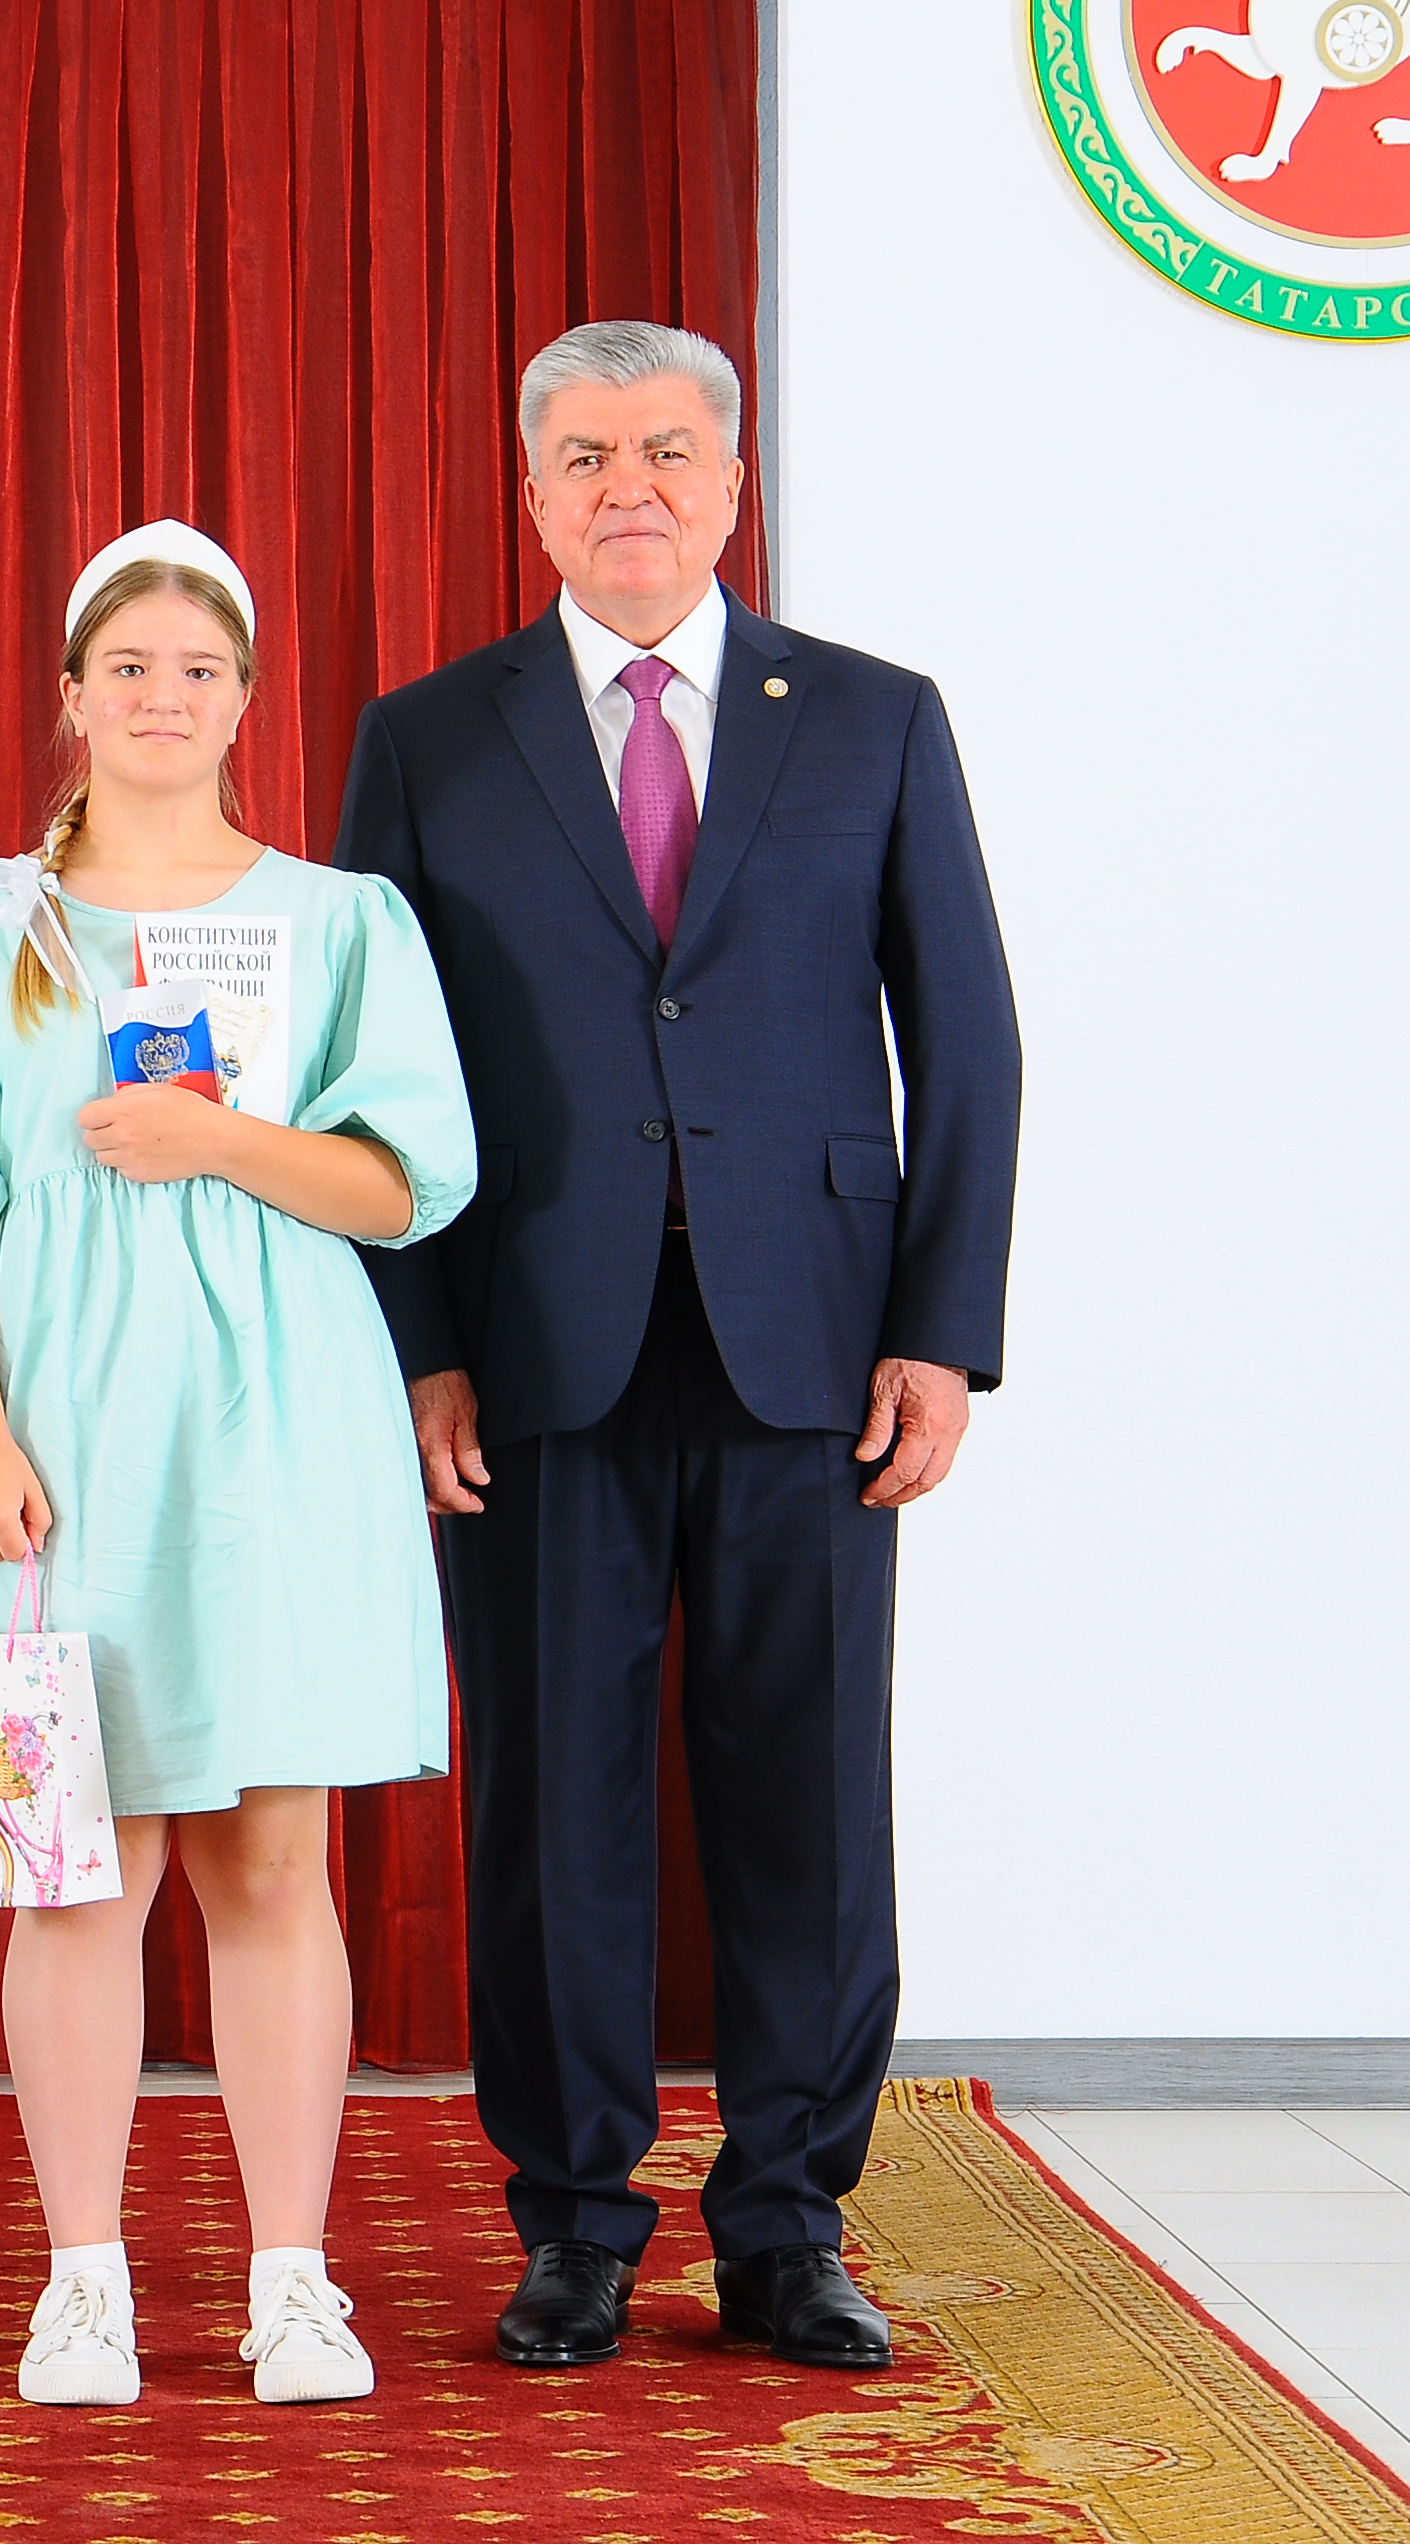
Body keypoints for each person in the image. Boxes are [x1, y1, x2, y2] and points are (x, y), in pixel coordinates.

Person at [335, 321, 1022, 2372]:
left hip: (811, 1345)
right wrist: (420, 1348)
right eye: (581, 455)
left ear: (730, 484)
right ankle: (573, 2218)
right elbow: (374, 1066)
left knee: (808, 1794)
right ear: (530, 494)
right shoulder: (428, 736)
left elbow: (967, 1038)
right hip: (533, 1349)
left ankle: (788, 2218)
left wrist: (941, 1333)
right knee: (552, 1804)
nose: (623, 485)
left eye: (661, 451)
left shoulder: (874, 718)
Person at [0, 520, 476, 2409]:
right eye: (128, 667)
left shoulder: (342, 923)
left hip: (277, 1433)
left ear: (247, 702)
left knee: (274, 1858)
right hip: (57, 1435)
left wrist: (219, 1144)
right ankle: (83, 2282)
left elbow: (401, 1184)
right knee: (72, 1870)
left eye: (200, 670)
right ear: (70, 695)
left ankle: (295, 2279)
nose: (163, 697)